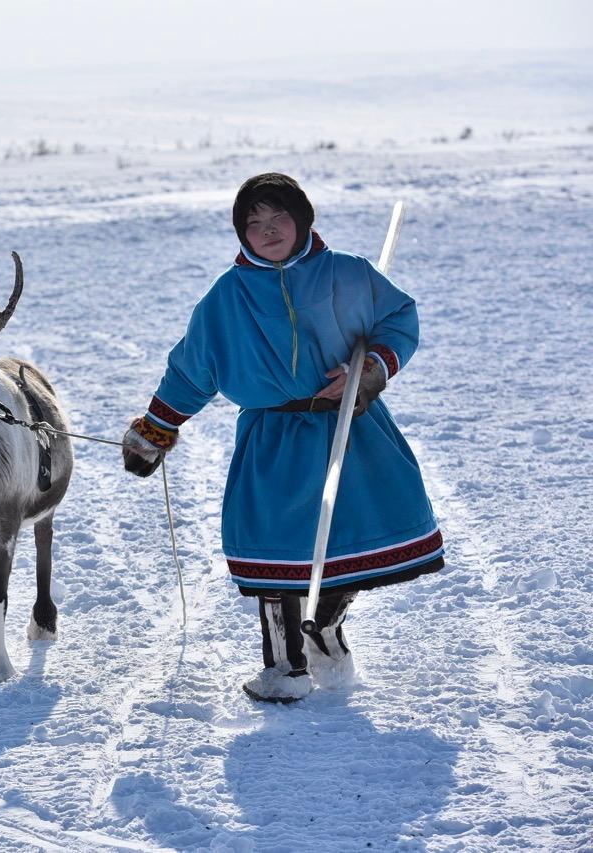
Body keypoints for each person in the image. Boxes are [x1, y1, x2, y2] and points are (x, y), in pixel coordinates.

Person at [121, 173, 444, 703]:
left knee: (354, 540)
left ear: (302, 220)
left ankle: (324, 627)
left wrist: (371, 370)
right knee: (275, 551)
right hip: (274, 438)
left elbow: (398, 320)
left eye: (278, 219)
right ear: (241, 233)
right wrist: (156, 429)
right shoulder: (228, 297)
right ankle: (284, 667)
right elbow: (192, 369)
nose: (267, 231)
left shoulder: (347, 273)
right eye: (254, 223)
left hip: (349, 427)